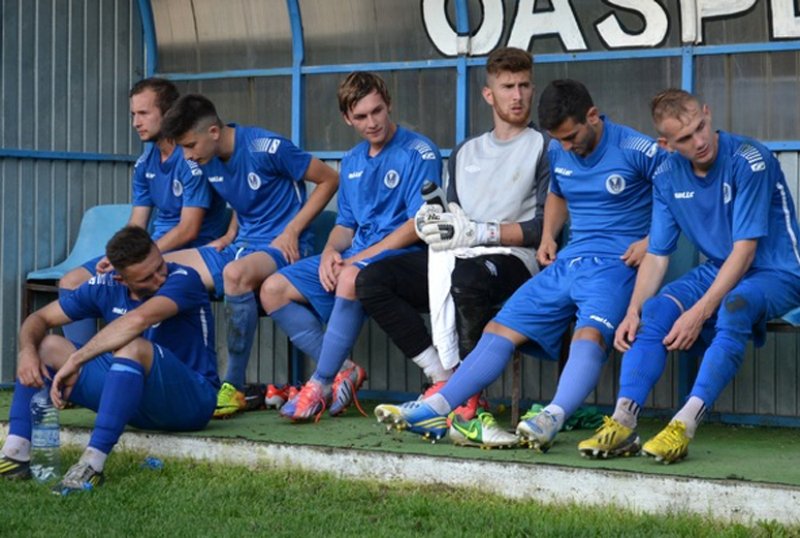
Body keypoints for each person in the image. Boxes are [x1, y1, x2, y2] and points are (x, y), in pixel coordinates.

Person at [374, 79, 666, 449]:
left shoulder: (637, 149)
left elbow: (677, 200)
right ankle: (438, 406)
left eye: (571, 137)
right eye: (558, 140)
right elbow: (557, 192)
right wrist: (548, 236)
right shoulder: (558, 150)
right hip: (567, 263)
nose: (566, 146)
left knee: (588, 335)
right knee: (499, 328)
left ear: (592, 116)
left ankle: (553, 416)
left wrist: (651, 242)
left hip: (615, 265)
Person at [578, 89, 800, 464]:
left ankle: (684, 424)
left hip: (779, 271)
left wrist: (698, 313)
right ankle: (623, 422)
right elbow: (657, 254)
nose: (699, 141)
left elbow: (745, 251)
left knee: (734, 305)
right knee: (654, 311)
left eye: (700, 127)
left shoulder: (750, 159)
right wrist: (632, 310)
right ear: (666, 144)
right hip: (720, 267)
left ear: (707, 114)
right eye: (684, 138)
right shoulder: (667, 174)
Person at [354, 47, 548, 445]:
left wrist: (479, 233)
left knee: (468, 277)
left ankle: (467, 407)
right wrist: (435, 222)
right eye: (507, 87)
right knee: (373, 279)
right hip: (458, 255)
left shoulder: (546, 145)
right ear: (488, 94)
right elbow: (451, 215)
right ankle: (443, 381)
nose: (517, 95)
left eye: (524, 85)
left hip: (514, 260)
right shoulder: (465, 150)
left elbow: (543, 228)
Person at [259, 71, 443, 422]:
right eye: (361, 116)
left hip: (402, 259)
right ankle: (344, 369)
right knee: (272, 289)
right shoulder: (353, 160)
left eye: (377, 111)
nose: (372, 123)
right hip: (355, 257)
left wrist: (355, 260)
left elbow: (417, 226)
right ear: (347, 118)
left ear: (388, 105)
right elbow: (345, 225)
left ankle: (319, 384)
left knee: (349, 277)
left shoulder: (419, 152)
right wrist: (330, 252)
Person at [0, 226, 219, 494]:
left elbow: (138, 320)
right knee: (46, 347)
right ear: (120, 279)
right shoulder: (104, 285)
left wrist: (77, 360)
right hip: (137, 402)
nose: (160, 278)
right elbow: (40, 318)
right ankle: (15, 454)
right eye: (146, 278)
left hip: (192, 401)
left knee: (132, 346)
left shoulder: (184, 279)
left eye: (160, 266)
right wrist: (26, 352)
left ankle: (91, 465)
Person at [160, 94, 339, 418]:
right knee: (160, 267)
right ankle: (172, 376)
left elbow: (329, 179)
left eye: (190, 145)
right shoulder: (207, 158)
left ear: (214, 131)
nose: (187, 155)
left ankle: (234, 386)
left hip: (284, 247)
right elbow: (245, 200)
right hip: (242, 247)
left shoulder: (266, 147)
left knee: (234, 274)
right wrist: (229, 235)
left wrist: (293, 230)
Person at [58, 78, 229, 346]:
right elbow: (137, 225)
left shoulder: (191, 158)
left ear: (168, 113)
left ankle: (132, 360)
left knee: (132, 282)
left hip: (193, 252)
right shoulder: (144, 164)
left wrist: (136, 259)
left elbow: (188, 230)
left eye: (144, 113)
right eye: (133, 115)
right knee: (71, 282)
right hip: (153, 249)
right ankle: (86, 365)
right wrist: (117, 256)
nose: (136, 123)